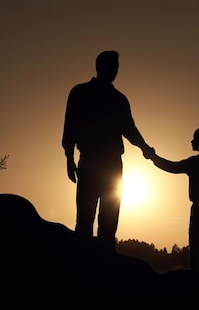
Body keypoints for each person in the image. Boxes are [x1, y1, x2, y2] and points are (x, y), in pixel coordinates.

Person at [62, 50, 154, 252]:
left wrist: (146, 149)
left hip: (112, 164)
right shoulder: (80, 92)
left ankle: (106, 266)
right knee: (85, 219)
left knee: (109, 221)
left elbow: (129, 129)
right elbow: (70, 127)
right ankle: (83, 264)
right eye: (111, 67)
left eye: (116, 68)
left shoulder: (118, 99)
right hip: (90, 161)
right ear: (100, 67)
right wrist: (69, 158)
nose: (114, 71)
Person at [147, 127, 199, 275]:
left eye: (195, 139)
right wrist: (154, 158)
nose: (191, 141)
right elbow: (171, 166)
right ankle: (198, 270)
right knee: (197, 239)